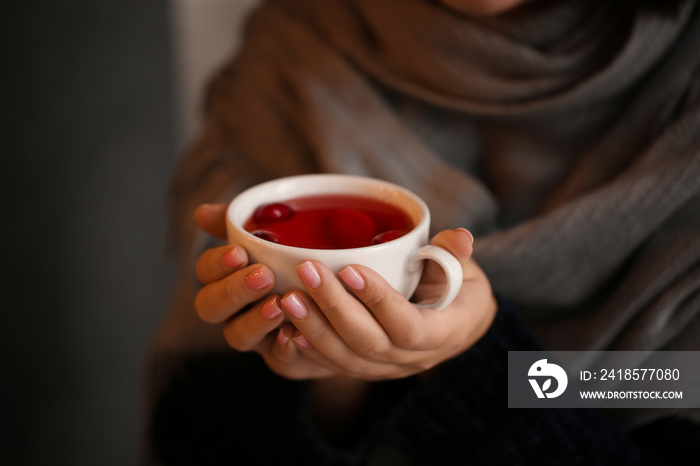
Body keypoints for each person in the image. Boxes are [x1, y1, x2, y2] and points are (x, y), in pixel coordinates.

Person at [147, 0, 700, 464]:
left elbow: (679, 383)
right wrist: (336, 370)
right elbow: (195, 444)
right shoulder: (292, 51)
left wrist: (478, 362)